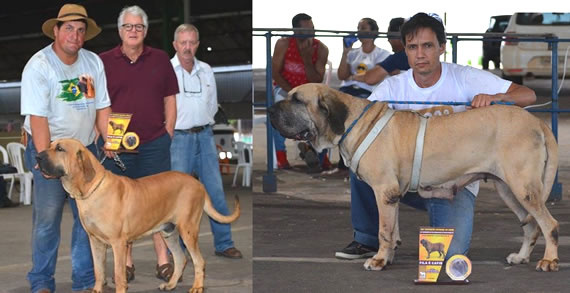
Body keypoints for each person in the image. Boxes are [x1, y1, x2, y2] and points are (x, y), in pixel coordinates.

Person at [335, 13, 536, 265]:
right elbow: (362, 129)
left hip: (452, 183)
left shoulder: (465, 77)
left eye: (427, 46)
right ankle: (367, 239)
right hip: (405, 178)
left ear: (442, 47)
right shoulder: (392, 87)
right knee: (362, 162)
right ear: (405, 52)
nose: (420, 54)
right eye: (413, 47)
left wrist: (497, 98)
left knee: (450, 257)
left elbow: (527, 95)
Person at [20, 4, 111, 292]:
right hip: (51, 149)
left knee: (87, 220)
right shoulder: (39, 66)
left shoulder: (93, 62)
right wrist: (46, 160)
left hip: (84, 152)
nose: (75, 34)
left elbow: (102, 106)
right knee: (47, 221)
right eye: (69, 28)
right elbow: (38, 119)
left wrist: (109, 140)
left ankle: (85, 282)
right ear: (56, 31)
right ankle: (41, 282)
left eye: (81, 29)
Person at [99, 5, 178, 283]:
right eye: (128, 27)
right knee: (122, 209)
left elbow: (170, 99)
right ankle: (127, 263)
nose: (133, 31)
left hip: (155, 144)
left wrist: (168, 132)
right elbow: (99, 106)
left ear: (145, 30)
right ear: (120, 31)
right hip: (117, 146)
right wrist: (108, 139)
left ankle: (163, 260)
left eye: (138, 27)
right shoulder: (103, 61)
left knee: (159, 205)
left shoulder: (160, 59)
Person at [169, 24, 242, 259]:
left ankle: (224, 243)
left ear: (197, 44)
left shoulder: (207, 70)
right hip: (178, 139)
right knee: (176, 197)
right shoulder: (166, 70)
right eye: (183, 43)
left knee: (215, 192)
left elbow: (212, 103)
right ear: (175, 45)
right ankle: (177, 250)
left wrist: (204, 123)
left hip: (205, 136)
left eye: (192, 42)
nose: (188, 47)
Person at [328, 17, 391, 176]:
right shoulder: (353, 53)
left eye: (364, 29)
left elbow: (373, 77)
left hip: (367, 92)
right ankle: (333, 159)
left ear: (373, 33)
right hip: (348, 90)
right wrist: (345, 52)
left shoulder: (382, 54)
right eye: (359, 28)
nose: (360, 32)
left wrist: (355, 76)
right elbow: (343, 75)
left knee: (352, 122)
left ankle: (353, 163)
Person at [271, 13, 329, 170]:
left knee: (323, 115)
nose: (311, 32)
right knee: (278, 114)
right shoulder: (283, 44)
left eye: (312, 28)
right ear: (295, 30)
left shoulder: (321, 49)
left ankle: (321, 156)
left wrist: (306, 60)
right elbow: (275, 72)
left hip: (309, 90)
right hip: (285, 89)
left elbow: (317, 79)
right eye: (306, 30)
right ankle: (282, 158)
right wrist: (293, 93)